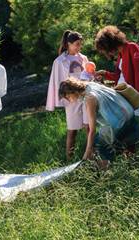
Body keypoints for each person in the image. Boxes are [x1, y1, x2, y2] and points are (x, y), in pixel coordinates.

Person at [58, 78, 139, 170]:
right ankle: (133, 167)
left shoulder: (89, 99)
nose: (69, 100)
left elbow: (92, 129)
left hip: (119, 122)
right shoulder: (90, 85)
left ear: (73, 92)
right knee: (128, 140)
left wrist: (88, 151)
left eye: (68, 97)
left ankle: (104, 175)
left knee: (100, 145)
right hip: (128, 113)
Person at [46, 30, 90, 159]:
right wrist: (67, 96)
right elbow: (58, 83)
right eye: (76, 44)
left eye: (80, 44)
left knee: (89, 127)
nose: (79, 47)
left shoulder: (83, 58)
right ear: (68, 44)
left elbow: (88, 76)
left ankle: (91, 155)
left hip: (85, 97)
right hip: (72, 99)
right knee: (72, 130)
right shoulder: (60, 61)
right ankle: (69, 159)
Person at [94, 25, 139, 116]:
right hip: (122, 94)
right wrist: (104, 73)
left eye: (106, 50)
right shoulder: (120, 55)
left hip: (132, 95)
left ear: (110, 43)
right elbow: (118, 76)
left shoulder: (132, 48)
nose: (108, 53)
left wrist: (137, 95)